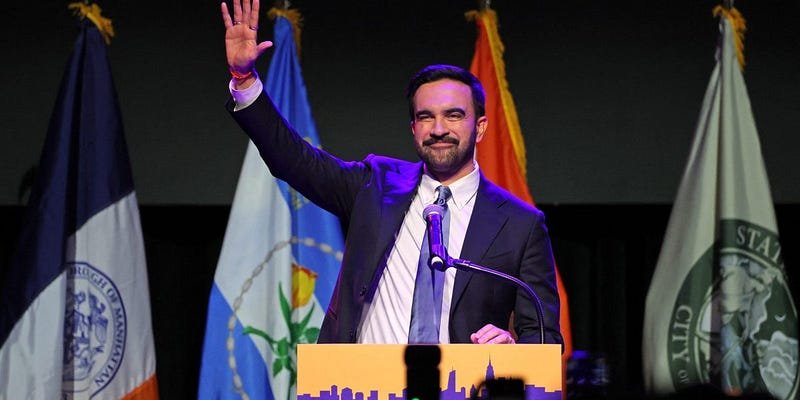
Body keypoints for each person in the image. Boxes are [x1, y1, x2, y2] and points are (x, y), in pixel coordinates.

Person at [220, 0, 562, 345]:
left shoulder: (520, 225)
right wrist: (245, 80)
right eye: (426, 117)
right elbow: (294, 160)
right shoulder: (375, 185)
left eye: (454, 115)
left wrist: (512, 348)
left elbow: (546, 339)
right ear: (414, 128)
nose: (438, 128)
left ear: (481, 127)